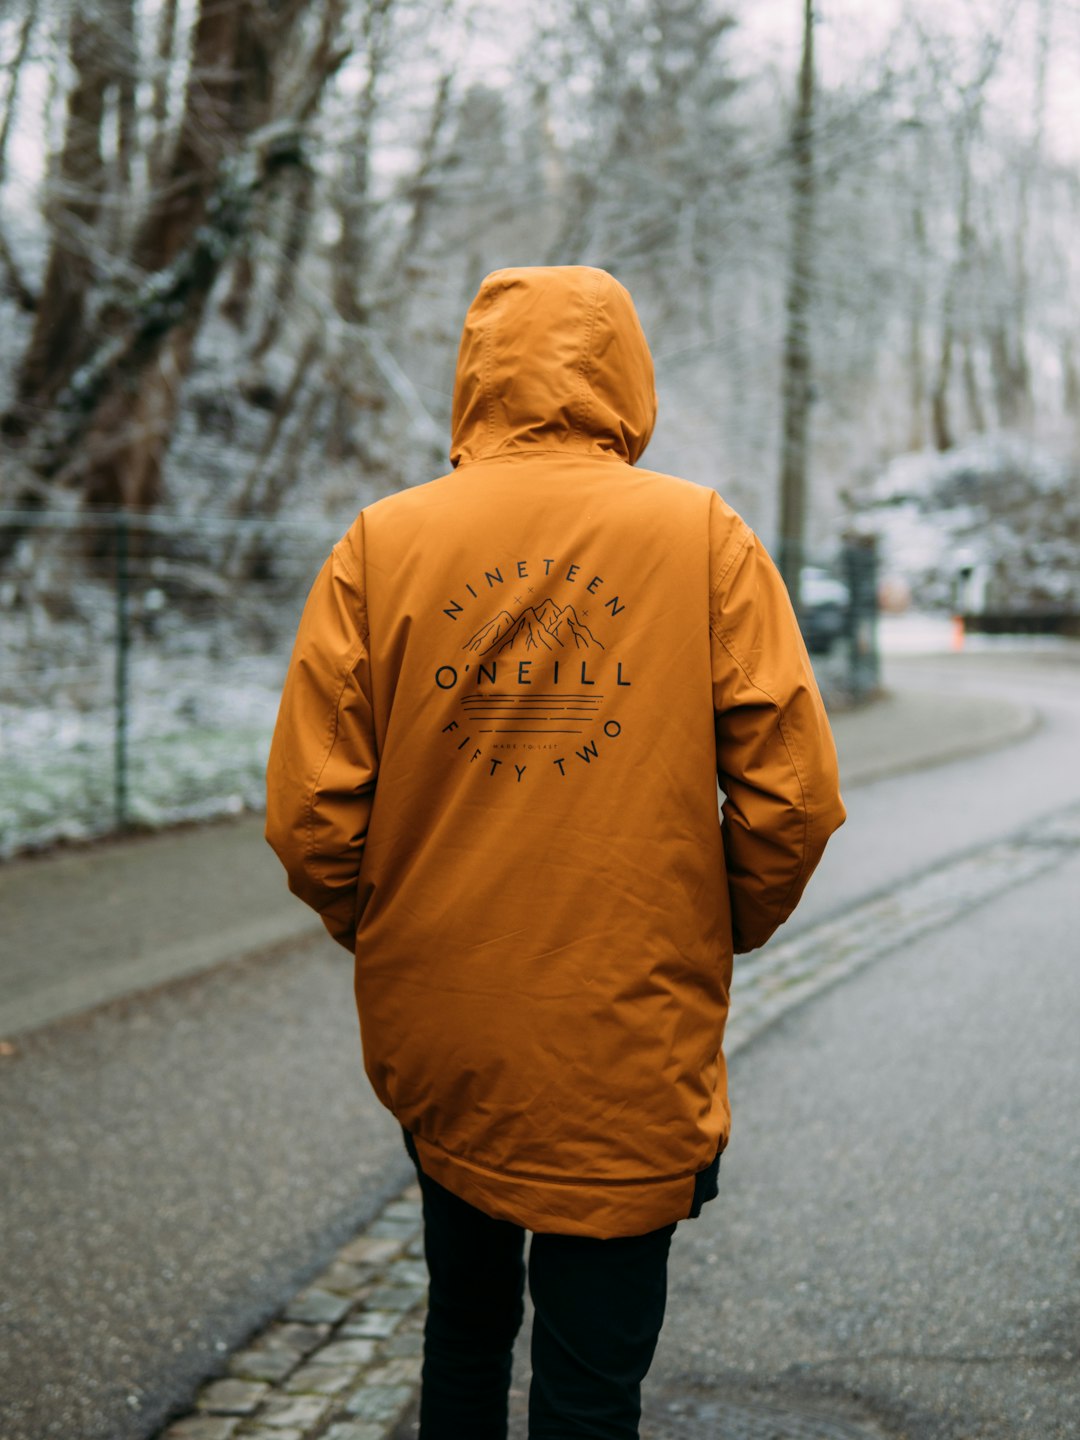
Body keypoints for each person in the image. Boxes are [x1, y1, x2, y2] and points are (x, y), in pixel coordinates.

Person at [265, 265, 846, 1439]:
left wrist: (393, 924)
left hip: (447, 1028)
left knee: (465, 1337)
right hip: (625, 1031)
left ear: (477, 375)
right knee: (592, 1386)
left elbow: (310, 816)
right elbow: (791, 800)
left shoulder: (383, 544)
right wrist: (709, 921)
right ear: (628, 376)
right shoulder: (703, 538)